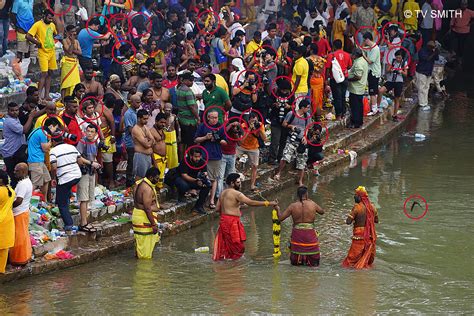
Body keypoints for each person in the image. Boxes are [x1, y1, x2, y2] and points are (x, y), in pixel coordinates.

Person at [213, 173, 278, 261]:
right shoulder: (237, 194)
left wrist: (235, 207)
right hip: (232, 222)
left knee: (227, 245)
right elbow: (251, 202)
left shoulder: (223, 193)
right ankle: (236, 268)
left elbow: (217, 209)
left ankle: (227, 266)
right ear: (232, 183)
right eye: (238, 182)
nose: (240, 184)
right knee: (238, 246)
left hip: (224, 220)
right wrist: (269, 203)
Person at [277, 186, 324, 266]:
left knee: (295, 262)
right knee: (315, 262)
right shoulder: (312, 204)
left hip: (297, 234)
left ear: (298, 195)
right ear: (306, 194)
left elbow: (280, 218)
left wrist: (277, 209)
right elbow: (322, 212)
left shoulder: (292, 206)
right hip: (310, 234)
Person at [274, 99, 312, 187]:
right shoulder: (291, 114)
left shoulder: (308, 116)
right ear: (302, 107)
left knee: (301, 162)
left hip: (301, 141)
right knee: (285, 157)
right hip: (291, 139)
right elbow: (284, 124)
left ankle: (300, 181)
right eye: (307, 108)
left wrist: (305, 137)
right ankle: (278, 173)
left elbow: (308, 128)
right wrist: (291, 126)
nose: (308, 109)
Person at [50, 136, 83, 232]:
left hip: (64, 178)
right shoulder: (71, 147)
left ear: (53, 141)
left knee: (61, 203)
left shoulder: (53, 151)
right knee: (66, 192)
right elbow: (80, 161)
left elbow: (54, 167)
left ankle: (68, 224)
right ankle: (68, 204)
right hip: (77, 176)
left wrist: (53, 178)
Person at [195, 110, 227, 208]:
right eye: (212, 117)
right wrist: (205, 137)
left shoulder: (221, 127)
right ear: (208, 118)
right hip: (204, 156)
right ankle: (203, 198)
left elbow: (225, 142)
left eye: (216, 117)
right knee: (204, 178)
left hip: (216, 156)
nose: (214, 120)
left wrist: (217, 139)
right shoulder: (202, 126)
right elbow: (196, 139)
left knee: (214, 179)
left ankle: (212, 200)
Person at [2, 102, 40, 187]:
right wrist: (31, 116)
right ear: (8, 111)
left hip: (17, 151)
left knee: (21, 176)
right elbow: (25, 130)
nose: (15, 112)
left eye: (16, 110)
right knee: (14, 177)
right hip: (11, 153)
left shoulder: (16, 118)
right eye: (12, 111)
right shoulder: (9, 121)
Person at [342, 186, 379, 269]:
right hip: (369, 236)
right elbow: (376, 221)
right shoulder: (373, 207)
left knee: (350, 261)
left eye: (356, 195)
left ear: (360, 197)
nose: (354, 197)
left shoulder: (357, 207)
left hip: (359, 236)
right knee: (366, 260)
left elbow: (348, 222)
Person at [26, 10, 57, 100]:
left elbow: (54, 34)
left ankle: (46, 95)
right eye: (49, 18)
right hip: (43, 52)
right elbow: (28, 36)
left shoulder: (52, 25)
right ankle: (38, 96)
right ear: (44, 16)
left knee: (50, 73)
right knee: (44, 73)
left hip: (52, 52)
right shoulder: (37, 24)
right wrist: (37, 42)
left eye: (52, 18)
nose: (50, 20)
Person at [76, 124, 102, 233]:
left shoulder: (94, 142)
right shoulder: (82, 142)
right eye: (88, 131)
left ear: (96, 133)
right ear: (85, 132)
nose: (90, 133)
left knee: (88, 199)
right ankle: (83, 223)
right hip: (84, 172)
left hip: (91, 172)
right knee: (84, 198)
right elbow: (78, 157)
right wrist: (91, 163)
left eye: (92, 131)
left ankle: (85, 221)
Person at [132, 167, 161, 259]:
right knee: (145, 254)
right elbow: (147, 208)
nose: (158, 180)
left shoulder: (139, 183)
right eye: (157, 178)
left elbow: (138, 202)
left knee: (140, 244)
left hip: (138, 215)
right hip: (144, 218)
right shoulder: (147, 189)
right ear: (151, 178)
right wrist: (153, 224)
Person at [9, 163, 33, 266]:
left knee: (19, 238)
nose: (14, 172)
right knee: (23, 236)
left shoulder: (23, 184)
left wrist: (8, 207)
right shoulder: (26, 182)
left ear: (23, 172)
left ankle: (19, 259)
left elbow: (19, 200)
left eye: (16, 171)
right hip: (23, 212)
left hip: (19, 213)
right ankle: (24, 257)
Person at [236, 112, 266, 191]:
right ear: (248, 120)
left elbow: (264, 139)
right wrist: (249, 129)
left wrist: (259, 129)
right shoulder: (243, 126)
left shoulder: (260, 125)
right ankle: (236, 182)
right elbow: (241, 141)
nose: (253, 122)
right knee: (235, 161)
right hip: (242, 147)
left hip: (254, 147)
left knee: (255, 166)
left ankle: (252, 185)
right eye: (252, 121)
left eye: (255, 121)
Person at [325, 40, 352, 120]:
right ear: (341, 46)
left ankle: (338, 115)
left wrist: (326, 79)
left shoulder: (331, 55)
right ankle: (343, 113)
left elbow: (327, 68)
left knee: (337, 97)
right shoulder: (347, 55)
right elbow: (350, 66)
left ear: (334, 46)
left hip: (335, 79)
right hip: (344, 78)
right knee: (343, 96)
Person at [378, 49, 407, 121]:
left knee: (397, 98)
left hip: (399, 82)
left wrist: (401, 71)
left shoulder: (404, 63)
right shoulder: (392, 61)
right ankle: (378, 106)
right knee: (380, 90)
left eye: (399, 58)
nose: (398, 59)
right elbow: (387, 70)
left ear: (402, 57)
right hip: (390, 81)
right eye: (397, 57)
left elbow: (406, 74)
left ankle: (395, 115)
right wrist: (391, 69)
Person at [177, 71, 200, 160]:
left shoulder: (179, 89)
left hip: (182, 119)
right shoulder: (187, 91)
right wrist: (197, 118)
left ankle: (182, 159)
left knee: (182, 142)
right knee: (191, 142)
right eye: (190, 81)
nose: (192, 83)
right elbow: (191, 106)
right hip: (189, 121)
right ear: (186, 80)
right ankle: (190, 160)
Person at [347, 48, 368, 128]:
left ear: (355, 55)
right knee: (359, 106)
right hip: (360, 87)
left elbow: (358, 76)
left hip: (356, 88)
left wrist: (348, 79)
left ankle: (356, 123)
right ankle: (359, 121)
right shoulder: (363, 60)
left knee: (355, 106)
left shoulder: (359, 63)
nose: (351, 56)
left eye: (352, 54)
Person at [132, 109, 155, 181]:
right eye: (144, 119)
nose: (146, 121)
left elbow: (153, 140)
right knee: (139, 178)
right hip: (140, 156)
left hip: (147, 156)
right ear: (139, 118)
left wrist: (149, 141)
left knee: (148, 178)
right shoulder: (136, 129)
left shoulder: (145, 127)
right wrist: (149, 141)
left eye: (147, 119)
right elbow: (147, 145)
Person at [362, 32, 381, 116]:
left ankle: (374, 109)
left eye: (364, 40)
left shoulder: (375, 48)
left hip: (374, 72)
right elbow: (363, 48)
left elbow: (370, 61)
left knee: (372, 92)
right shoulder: (370, 47)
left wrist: (363, 55)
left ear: (367, 39)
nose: (364, 42)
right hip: (371, 72)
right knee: (372, 91)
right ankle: (374, 107)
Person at [416, 41, 439, 111]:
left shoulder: (432, 51)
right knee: (421, 88)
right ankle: (421, 104)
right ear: (428, 46)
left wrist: (436, 53)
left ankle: (425, 103)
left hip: (428, 72)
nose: (433, 48)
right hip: (421, 71)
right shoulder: (422, 51)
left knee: (426, 88)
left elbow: (437, 58)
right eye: (432, 47)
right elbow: (426, 59)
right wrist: (434, 53)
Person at [124, 93, 141, 187]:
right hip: (131, 142)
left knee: (135, 162)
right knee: (131, 163)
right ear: (132, 102)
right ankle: (129, 182)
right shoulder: (129, 114)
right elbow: (131, 129)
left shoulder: (135, 112)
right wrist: (140, 137)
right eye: (137, 102)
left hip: (136, 142)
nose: (139, 104)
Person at [0, 170, 15, 273]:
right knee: (4, 248)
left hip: (1, 220)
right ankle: (1, 269)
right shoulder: (11, 190)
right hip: (8, 220)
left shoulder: (0, 191)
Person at [61, 25, 82, 99]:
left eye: (75, 31)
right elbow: (69, 52)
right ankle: (63, 100)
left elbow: (80, 53)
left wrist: (73, 48)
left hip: (74, 63)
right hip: (67, 63)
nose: (74, 33)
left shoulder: (77, 41)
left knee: (75, 83)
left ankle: (74, 99)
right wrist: (72, 43)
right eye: (72, 32)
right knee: (65, 83)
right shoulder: (64, 41)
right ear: (67, 32)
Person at [150, 112, 168, 189]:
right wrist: (154, 162)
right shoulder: (151, 131)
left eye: (164, 122)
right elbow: (150, 148)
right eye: (161, 122)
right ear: (156, 121)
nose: (163, 124)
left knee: (161, 179)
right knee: (154, 178)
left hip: (164, 158)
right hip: (156, 158)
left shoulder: (163, 130)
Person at [163, 103, 180, 169]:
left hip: (173, 136)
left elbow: (178, 126)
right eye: (166, 110)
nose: (168, 112)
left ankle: (173, 168)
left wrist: (179, 136)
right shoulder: (161, 117)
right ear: (164, 109)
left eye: (169, 110)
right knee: (166, 152)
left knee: (174, 153)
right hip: (165, 135)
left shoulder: (174, 116)